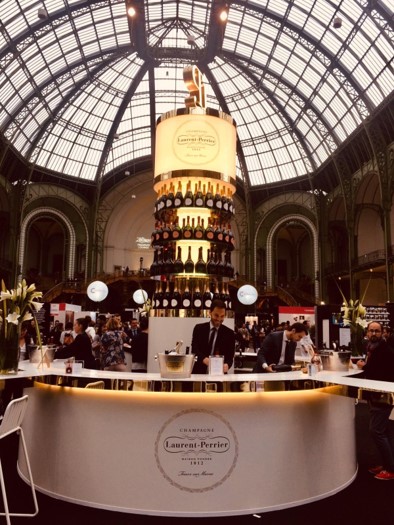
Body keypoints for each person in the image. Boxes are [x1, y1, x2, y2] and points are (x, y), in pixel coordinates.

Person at [356, 321, 394, 480]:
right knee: (383, 430)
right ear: (367, 332)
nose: (373, 334)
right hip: (375, 394)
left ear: (382, 332)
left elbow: (380, 371)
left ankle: (390, 470)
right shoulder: (372, 348)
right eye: (371, 331)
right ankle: (386, 464)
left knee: (376, 431)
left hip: (382, 396)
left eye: (377, 331)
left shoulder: (384, 350)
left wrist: (363, 367)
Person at [191, 299, 235, 374]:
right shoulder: (199, 328)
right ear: (210, 312)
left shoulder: (230, 333)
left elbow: (230, 358)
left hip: (219, 375)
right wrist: (204, 359)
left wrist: (227, 365)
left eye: (222, 316)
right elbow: (194, 350)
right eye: (216, 315)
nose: (219, 319)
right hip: (199, 373)